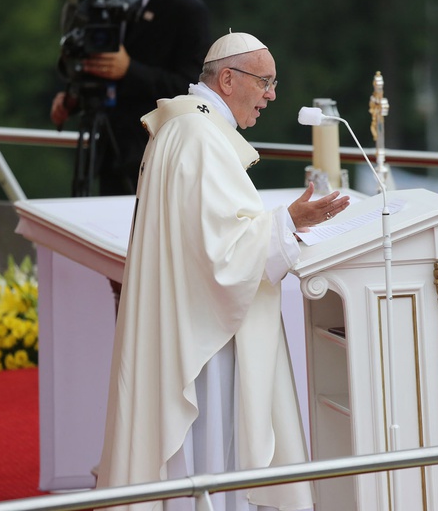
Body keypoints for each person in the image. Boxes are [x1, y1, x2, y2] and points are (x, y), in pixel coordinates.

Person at [95, 31, 351, 511]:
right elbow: (223, 255)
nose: (272, 95)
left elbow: (209, 238)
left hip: (193, 321)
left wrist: (280, 226)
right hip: (205, 340)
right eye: (265, 82)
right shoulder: (199, 136)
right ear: (228, 79)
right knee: (211, 449)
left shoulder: (188, 128)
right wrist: (286, 224)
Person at [50, 0, 210, 196]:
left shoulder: (187, 8)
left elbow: (192, 88)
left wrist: (129, 69)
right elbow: (101, 64)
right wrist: (74, 99)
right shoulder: (107, 1)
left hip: (157, 152)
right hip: (109, 148)